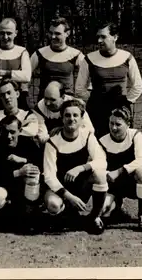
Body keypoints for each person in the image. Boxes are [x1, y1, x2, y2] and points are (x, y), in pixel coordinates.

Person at [42, 99, 109, 235]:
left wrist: (80, 168)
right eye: (67, 115)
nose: (71, 119)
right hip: (61, 189)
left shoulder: (88, 136)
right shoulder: (53, 142)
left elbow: (102, 161)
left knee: (100, 175)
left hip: (81, 186)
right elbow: (49, 176)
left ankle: (94, 217)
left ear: (81, 119)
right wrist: (69, 197)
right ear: (61, 118)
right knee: (53, 205)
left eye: (75, 115)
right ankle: (63, 215)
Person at [75, 22, 142, 139]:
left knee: (122, 146)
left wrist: (125, 102)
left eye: (103, 36)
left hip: (121, 112)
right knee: (98, 146)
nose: (99, 41)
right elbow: (79, 88)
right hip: (97, 113)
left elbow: (138, 86)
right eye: (98, 37)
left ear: (115, 37)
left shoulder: (127, 57)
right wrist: (96, 100)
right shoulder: (89, 59)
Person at [0, 115, 43, 232]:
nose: (9, 136)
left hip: (20, 188)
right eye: (5, 132)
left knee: (33, 175)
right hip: (1, 186)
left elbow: (41, 165)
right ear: (0, 131)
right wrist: (18, 172)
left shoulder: (28, 143)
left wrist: (24, 160)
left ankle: (30, 213)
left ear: (20, 131)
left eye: (12, 132)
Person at [98, 100, 142, 231]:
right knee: (103, 211)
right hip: (112, 185)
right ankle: (117, 208)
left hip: (132, 183)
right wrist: (107, 175)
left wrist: (120, 171)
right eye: (111, 123)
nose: (114, 127)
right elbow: (97, 165)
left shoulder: (135, 135)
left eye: (118, 124)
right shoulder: (102, 141)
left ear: (128, 124)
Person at [0, 18, 32, 132]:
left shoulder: (22, 51)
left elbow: (27, 76)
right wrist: (15, 75)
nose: (5, 37)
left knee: (21, 130)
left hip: (18, 97)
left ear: (15, 33)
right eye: (2, 33)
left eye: (9, 33)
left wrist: (3, 73)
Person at [30, 17, 85, 101]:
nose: (53, 36)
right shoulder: (39, 54)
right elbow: (25, 75)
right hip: (45, 102)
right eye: (51, 33)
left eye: (57, 33)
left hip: (67, 103)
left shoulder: (76, 55)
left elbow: (89, 77)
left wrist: (79, 98)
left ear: (67, 33)